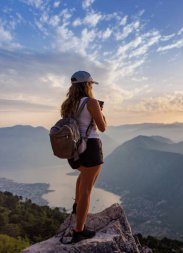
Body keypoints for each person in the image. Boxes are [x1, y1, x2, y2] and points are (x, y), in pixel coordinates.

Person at [60, 70, 107, 243]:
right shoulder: (92, 102)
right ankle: (79, 230)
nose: (91, 86)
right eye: (91, 84)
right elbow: (102, 127)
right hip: (90, 148)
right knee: (87, 190)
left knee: (82, 177)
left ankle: (75, 207)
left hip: (73, 150)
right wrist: (101, 112)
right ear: (88, 85)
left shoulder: (68, 104)